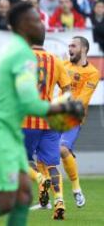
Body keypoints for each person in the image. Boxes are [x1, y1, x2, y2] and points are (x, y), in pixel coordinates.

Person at [0, 2, 84, 225]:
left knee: (23, 195)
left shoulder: (16, 50)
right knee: (7, 200)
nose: (40, 23)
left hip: (7, 127)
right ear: (21, 26)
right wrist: (60, 108)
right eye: (34, 19)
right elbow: (29, 101)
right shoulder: (21, 54)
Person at [22, 42, 71, 220]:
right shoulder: (56, 60)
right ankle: (59, 201)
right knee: (51, 164)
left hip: (27, 119)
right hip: (50, 119)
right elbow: (67, 90)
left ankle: (40, 179)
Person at [60, 36, 100, 208]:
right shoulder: (63, 65)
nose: (70, 48)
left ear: (83, 49)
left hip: (73, 116)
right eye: (69, 46)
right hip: (57, 113)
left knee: (62, 149)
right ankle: (46, 195)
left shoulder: (93, 73)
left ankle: (76, 189)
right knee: (42, 153)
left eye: (73, 46)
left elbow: (82, 100)